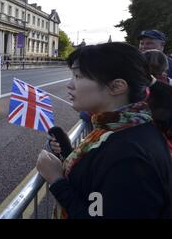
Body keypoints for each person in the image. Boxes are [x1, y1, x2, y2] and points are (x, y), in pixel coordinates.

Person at [37, 42, 172, 219]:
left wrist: (56, 180)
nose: (70, 85)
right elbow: (100, 188)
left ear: (117, 87)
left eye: (78, 76)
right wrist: (68, 153)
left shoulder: (128, 157)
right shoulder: (125, 128)